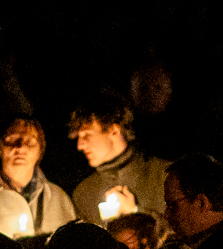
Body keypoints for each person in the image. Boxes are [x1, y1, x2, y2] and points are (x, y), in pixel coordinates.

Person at [71, 89, 171, 220]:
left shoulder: (164, 177)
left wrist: (135, 212)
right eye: (78, 137)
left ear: (114, 130)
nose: (80, 146)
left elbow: (186, 228)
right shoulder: (84, 194)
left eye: (87, 135)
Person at [0, 114, 79, 240]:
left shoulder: (58, 199)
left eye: (29, 141)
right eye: (12, 140)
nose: (21, 147)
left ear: (39, 151)